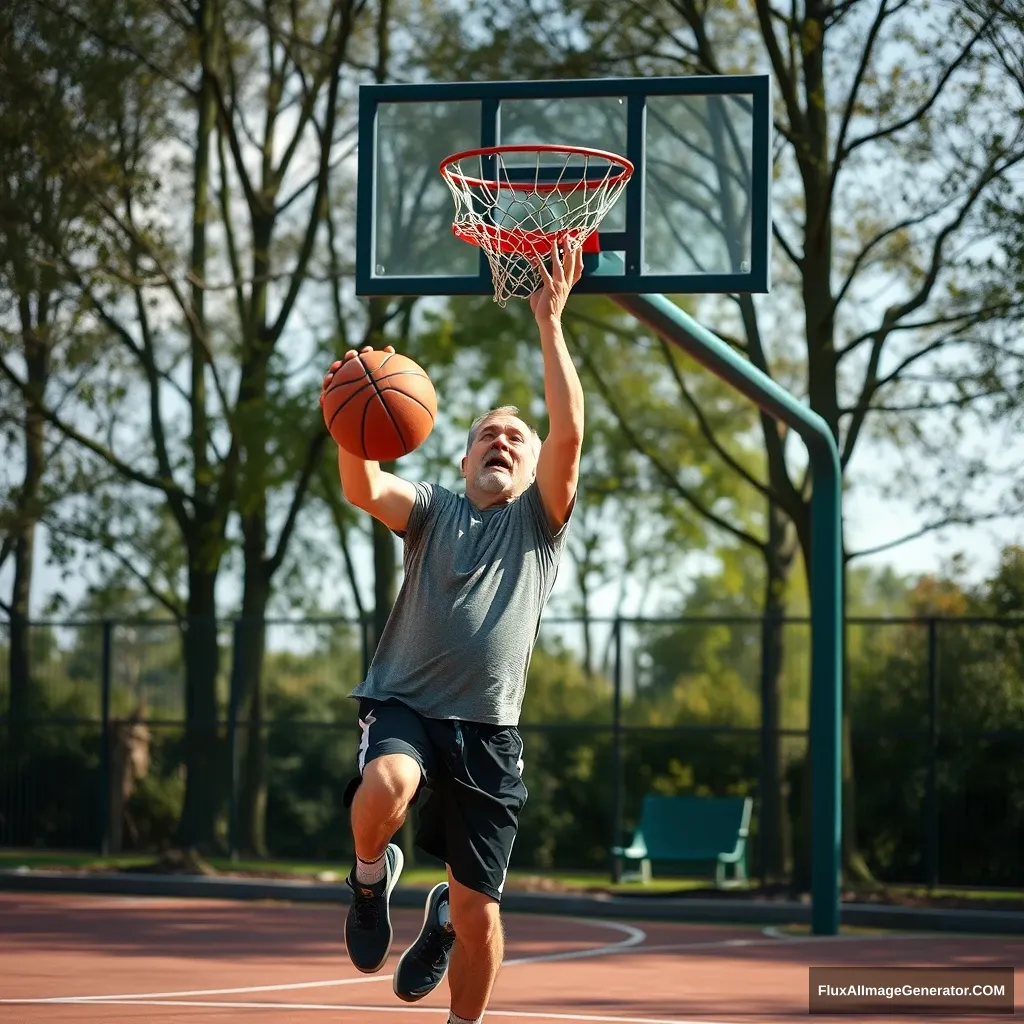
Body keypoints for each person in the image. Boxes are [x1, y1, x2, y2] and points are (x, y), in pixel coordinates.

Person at [318, 241, 585, 1024]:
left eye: (516, 438)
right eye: (487, 435)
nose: (501, 441)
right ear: (462, 456)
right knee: (389, 785)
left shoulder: (540, 523)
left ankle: (445, 934)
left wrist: (550, 320)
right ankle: (371, 881)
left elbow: (569, 433)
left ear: (537, 469)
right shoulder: (434, 510)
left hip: (490, 735)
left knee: (480, 920)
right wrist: (348, 410)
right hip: (404, 702)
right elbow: (363, 485)